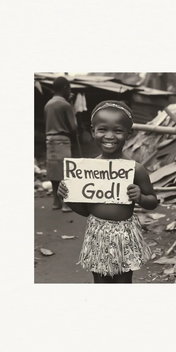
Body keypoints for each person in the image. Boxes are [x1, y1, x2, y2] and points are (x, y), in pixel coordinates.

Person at [57, 100, 158, 283]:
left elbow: (153, 201)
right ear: (93, 130)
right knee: (100, 281)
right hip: (97, 234)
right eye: (103, 129)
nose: (109, 136)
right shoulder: (86, 170)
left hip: (124, 236)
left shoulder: (135, 169)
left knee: (123, 281)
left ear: (129, 134)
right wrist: (67, 197)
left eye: (118, 131)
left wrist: (141, 197)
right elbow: (86, 210)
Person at [44, 76, 77, 212]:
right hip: (62, 140)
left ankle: (56, 202)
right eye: (69, 88)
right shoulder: (65, 105)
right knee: (66, 172)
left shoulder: (48, 104)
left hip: (50, 141)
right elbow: (73, 127)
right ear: (65, 88)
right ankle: (66, 203)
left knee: (53, 172)